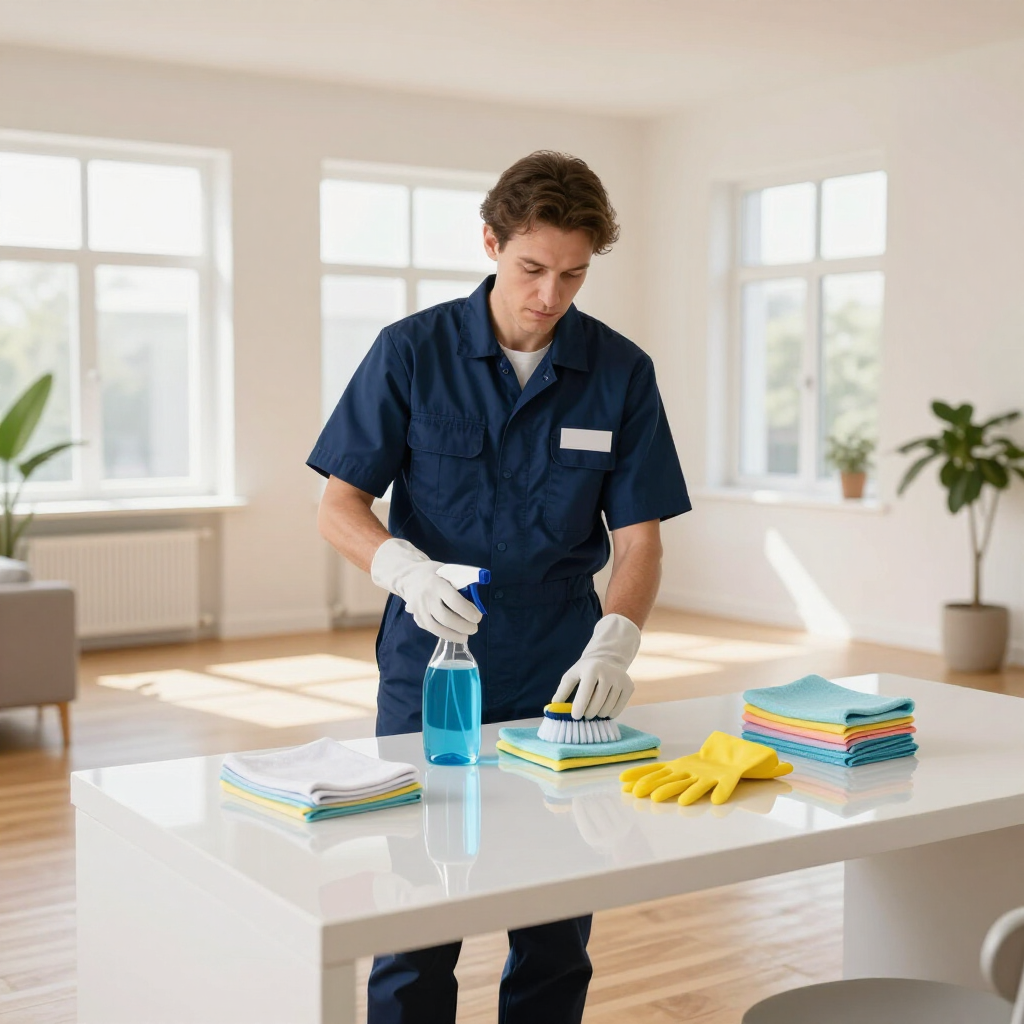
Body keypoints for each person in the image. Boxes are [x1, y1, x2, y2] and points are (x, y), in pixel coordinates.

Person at [309, 150, 690, 1024]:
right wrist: (401, 569)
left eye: (572, 275)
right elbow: (339, 505)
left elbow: (639, 542)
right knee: (417, 910)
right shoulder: (410, 352)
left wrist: (617, 640)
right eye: (531, 268)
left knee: (555, 920)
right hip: (432, 664)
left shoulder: (622, 373)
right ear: (490, 241)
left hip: (562, 667)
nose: (550, 296)